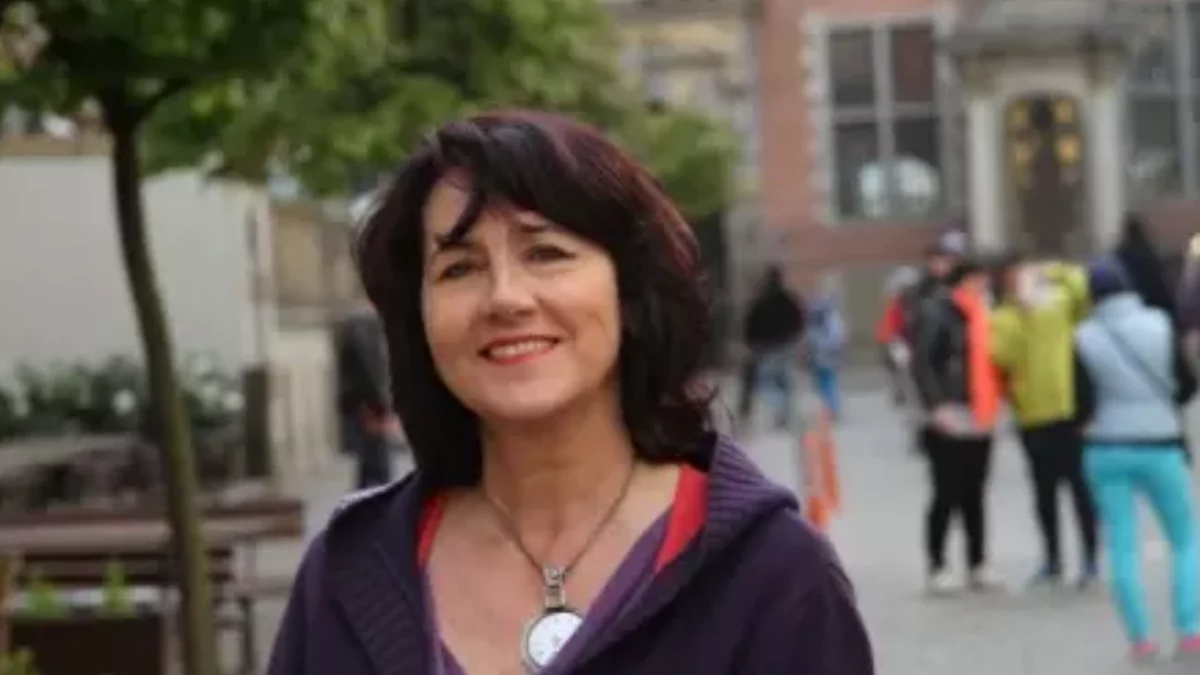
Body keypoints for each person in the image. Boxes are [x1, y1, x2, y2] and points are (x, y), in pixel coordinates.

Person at [266, 111, 874, 675]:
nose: (506, 298)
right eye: (460, 268)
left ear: (629, 293)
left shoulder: (771, 578)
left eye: (546, 253)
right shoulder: (350, 577)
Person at [1074, 257, 1199, 662]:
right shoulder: (1160, 324)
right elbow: (1187, 385)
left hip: (1106, 447)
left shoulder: (1083, 336)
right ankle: (1190, 630)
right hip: (1161, 443)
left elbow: (1081, 403)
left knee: (1122, 546)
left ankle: (1141, 640)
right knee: (1185, 540)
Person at [991, 256, 1098, 588]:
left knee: (1079, 488)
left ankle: (1090, 557)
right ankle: (1052, 558)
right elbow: (1003, 356)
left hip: (1066, 411)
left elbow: (1082, 289)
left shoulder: (1057, 306)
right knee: (1043, 492)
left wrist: (1052, 272)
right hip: (1031, 415)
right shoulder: (1004, 317)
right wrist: (1023, 317)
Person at [911, 257, 1003, 594]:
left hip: (981, 412)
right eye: (978, 280)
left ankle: (978, 562)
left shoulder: (987, 313)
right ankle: (938, 564)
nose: (984, 287)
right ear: (963, 281)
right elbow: (923, 362)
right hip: (949, 413)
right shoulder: (937, 311)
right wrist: (936, 405)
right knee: (946, 492)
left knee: (975, 492)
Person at [334, 300, 398, 489]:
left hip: (360, 403)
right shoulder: (366, 326)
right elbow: (369, 369)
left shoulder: (358, 324)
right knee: (377, 462)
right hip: (367, 406)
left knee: (369, 464)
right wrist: (379, 404)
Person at [737, 266, 805, 431]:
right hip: (785, 345)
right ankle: (783, 415)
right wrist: (794, 337)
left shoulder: (761, 299)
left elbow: (750, 323)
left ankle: (759, 411)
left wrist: (752, 343)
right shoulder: (788, 299)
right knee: (784, 382)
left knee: (763, 381)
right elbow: (799, 320)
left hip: (764, 348)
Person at [877, 267, 919, 407]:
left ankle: (901, 393)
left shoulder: (901, 304)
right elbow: (892, 324)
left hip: (897, 340)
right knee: (899, 368)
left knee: (900, 369)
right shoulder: (897, 304)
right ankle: (901, 392)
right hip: (896, 340)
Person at [806, 292, 846, 420]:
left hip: (824, 357)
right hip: (824, 357)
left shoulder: (830, 320)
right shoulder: (832, 319)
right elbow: (838, 339)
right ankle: (830, 408)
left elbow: (836, 339)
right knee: (825, 383)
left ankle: (832, 408)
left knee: (827, 383)